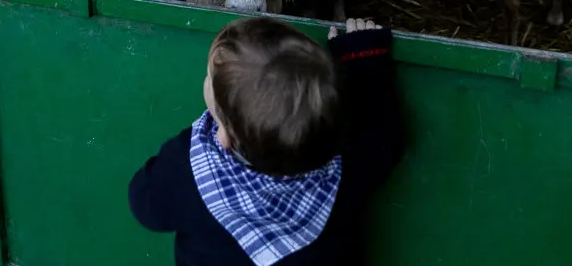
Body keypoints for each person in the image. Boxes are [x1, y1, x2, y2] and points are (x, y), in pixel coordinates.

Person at [128, 17, 403, 266]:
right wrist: (362, 59)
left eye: (210, 78)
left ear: (224, 136)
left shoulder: (189, 171)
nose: (207, 79)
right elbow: (383, 137)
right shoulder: (346, 167)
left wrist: (185, 145)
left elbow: (145, 204)